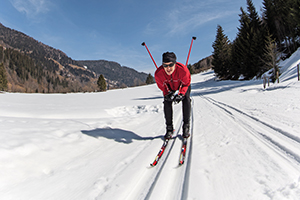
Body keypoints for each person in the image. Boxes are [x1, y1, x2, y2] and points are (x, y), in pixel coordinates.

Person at [154, 52, 191, 139]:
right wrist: (167, 93)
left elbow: (186, 84)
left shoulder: (183, 70)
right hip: (169, 86)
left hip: (182, 85)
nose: (168, 68)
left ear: (175, 63)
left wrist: (181, 94)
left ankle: (186, 126)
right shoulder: (158, 74)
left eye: (171, 65)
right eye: (165, 65)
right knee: (167, 101)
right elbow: (162, 86)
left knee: (186, 99)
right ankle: (169, 128)